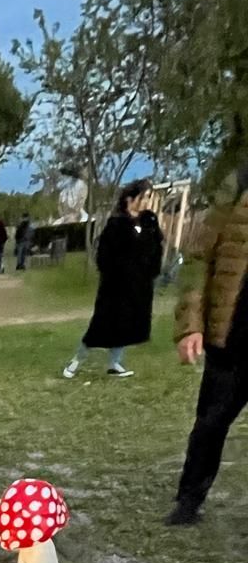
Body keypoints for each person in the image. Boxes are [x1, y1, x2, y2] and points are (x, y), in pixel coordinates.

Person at [166, 163, 248, 525]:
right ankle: (189, 500)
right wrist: (190, 326)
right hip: (233, 337)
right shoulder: (239, 182)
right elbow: (198, 258)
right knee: (210, 425)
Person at [63, 179, 162, 381]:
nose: (147, 202)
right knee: (102, 325)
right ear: (130, 198)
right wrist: (114, 275)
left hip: (139, 284)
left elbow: (156, 248)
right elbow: (104, 255)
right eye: (144, 197)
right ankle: (76, 361)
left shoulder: (149, 221)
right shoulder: (116, 224)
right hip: (115, 286)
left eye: (149, 198)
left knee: (127, 324)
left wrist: (151, 271)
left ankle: (115, 363)